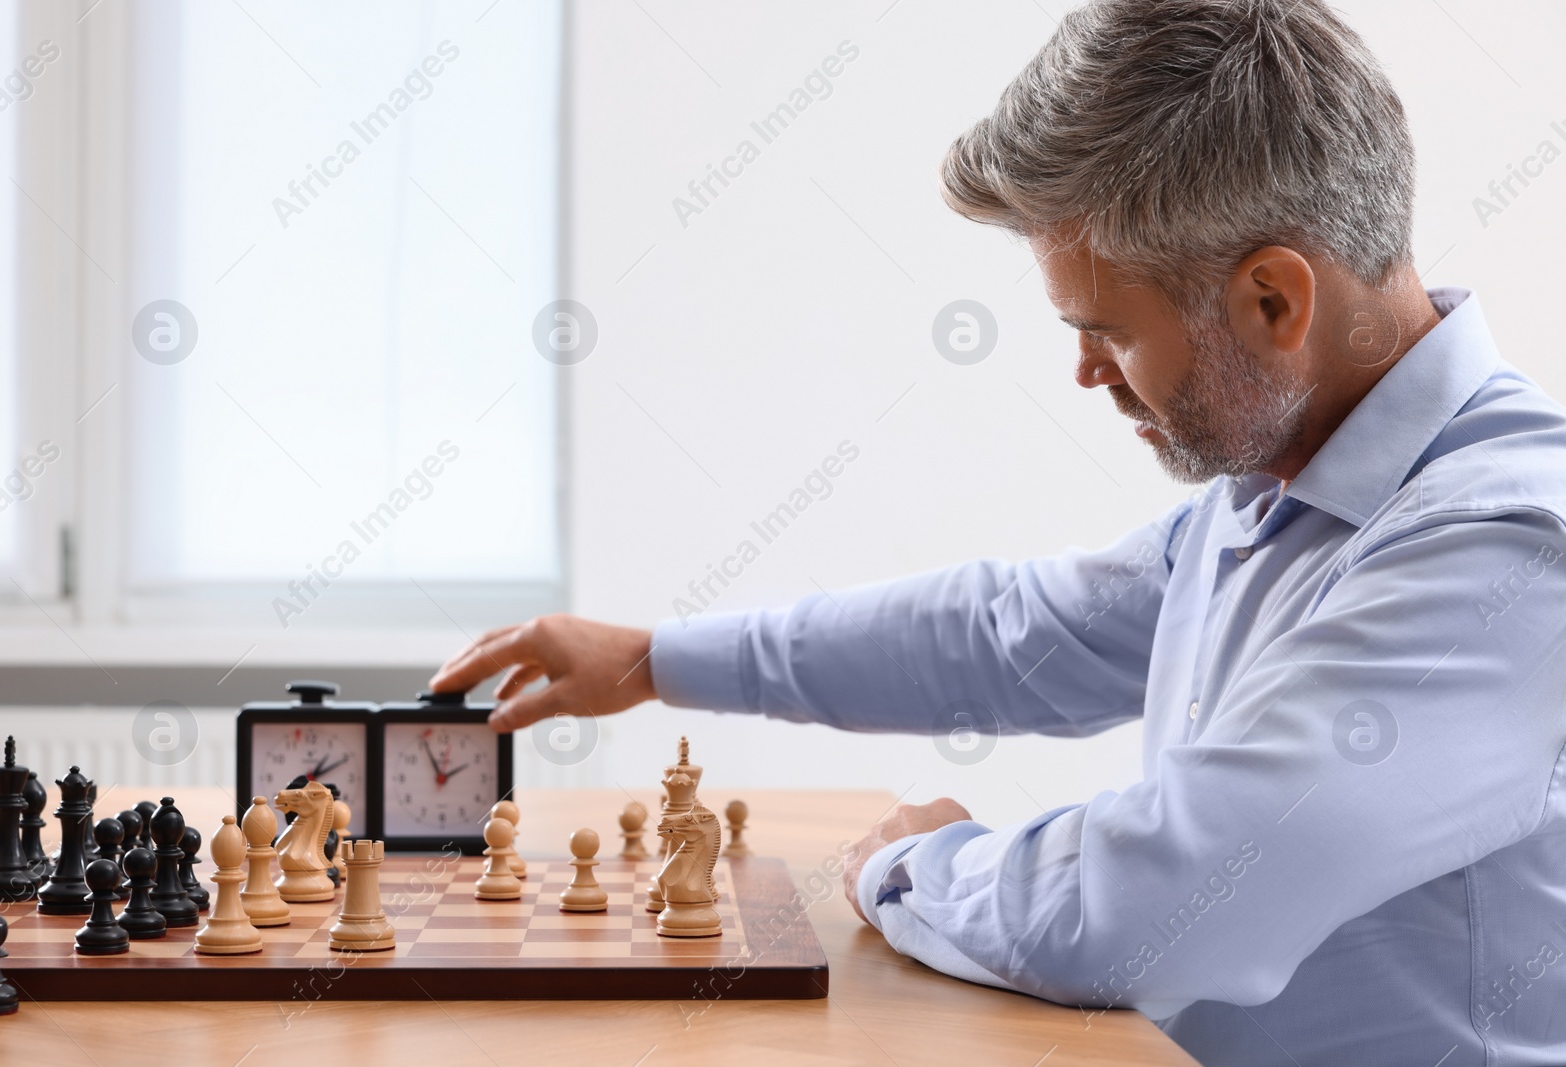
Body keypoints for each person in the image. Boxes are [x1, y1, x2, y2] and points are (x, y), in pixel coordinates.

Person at [432, 1, 1566, 1062]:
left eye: (1106, 332)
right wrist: (650, 658)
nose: (1082, 372)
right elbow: (1007, 631)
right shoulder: (1290, 485)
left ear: (1273, 300)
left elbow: (1140, 913)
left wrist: (910, 864)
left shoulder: (1500, 550)